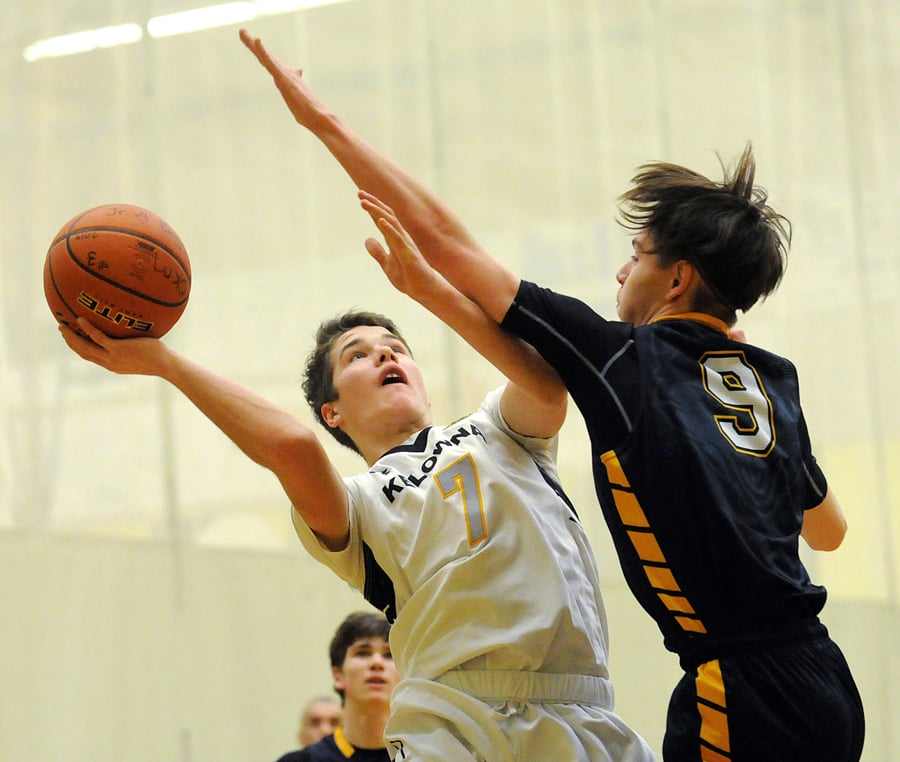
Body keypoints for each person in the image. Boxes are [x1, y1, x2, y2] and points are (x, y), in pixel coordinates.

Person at [238, 30, 865, 762]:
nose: (620, 272)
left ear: (676, 279)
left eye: (635, 257)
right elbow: (827, 530)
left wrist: (327, 126)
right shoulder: (772, 379)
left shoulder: (625, 360)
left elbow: (444, 238)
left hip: (739, 687)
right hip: (827, 680)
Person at [58, 213, 654, 757]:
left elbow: (548, 385)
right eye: (357, 356)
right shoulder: (358, 502)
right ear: (333, 413)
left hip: (583, 707)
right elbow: (290, 447)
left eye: (395, 347)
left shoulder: (498, 428)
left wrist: (429, 290)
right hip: (454, 719)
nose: (384, 355)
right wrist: (164, 361)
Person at [277, 611, 396, 761]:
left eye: (389, 654)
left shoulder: (426, 755)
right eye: (363, 653)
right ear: (338, 675)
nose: (377, 662)